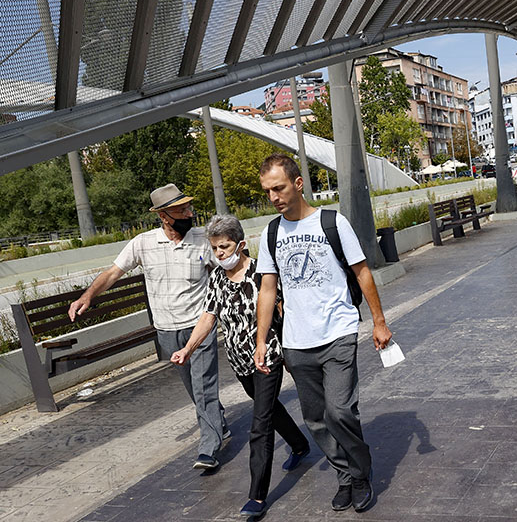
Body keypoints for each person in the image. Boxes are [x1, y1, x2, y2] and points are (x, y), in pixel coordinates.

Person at [254, 153, 392, 514]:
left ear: (298, 183)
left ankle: (360, 475)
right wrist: (261, 341)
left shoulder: (332, 222)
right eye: (267, 191)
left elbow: (362, 272)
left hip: (338, 332)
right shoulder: (271, 233)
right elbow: (267, 289)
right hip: (296, 341)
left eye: (279, 188)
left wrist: (378, 322)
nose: (273, 197)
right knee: (316, 419)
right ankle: (344, 475)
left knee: (340, 411)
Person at [68, 184, 227, 470]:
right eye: (181, 210)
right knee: (194, 388)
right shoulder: (143, 243)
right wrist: (87, 296)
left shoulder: (203, 240)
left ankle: (209, 448)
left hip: (199, 326)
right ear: (164, 216)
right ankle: (218, 422)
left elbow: (226, 271)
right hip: (167, 330)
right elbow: (113, 273)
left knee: (204, 386)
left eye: (188, 208)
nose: (189, 214)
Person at [170, 214, 310, 518]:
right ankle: (300, 445)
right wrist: (187, 349)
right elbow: (208, 317)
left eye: (224, 246)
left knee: (260, 425)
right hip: (239, 360)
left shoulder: (263, 272)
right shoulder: (217, 279)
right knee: (269, 408)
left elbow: (284, 310)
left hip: (268, 356)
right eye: (214, 248)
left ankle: (257, 497)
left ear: (241, 244)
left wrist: (293, 351)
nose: (219, 253)